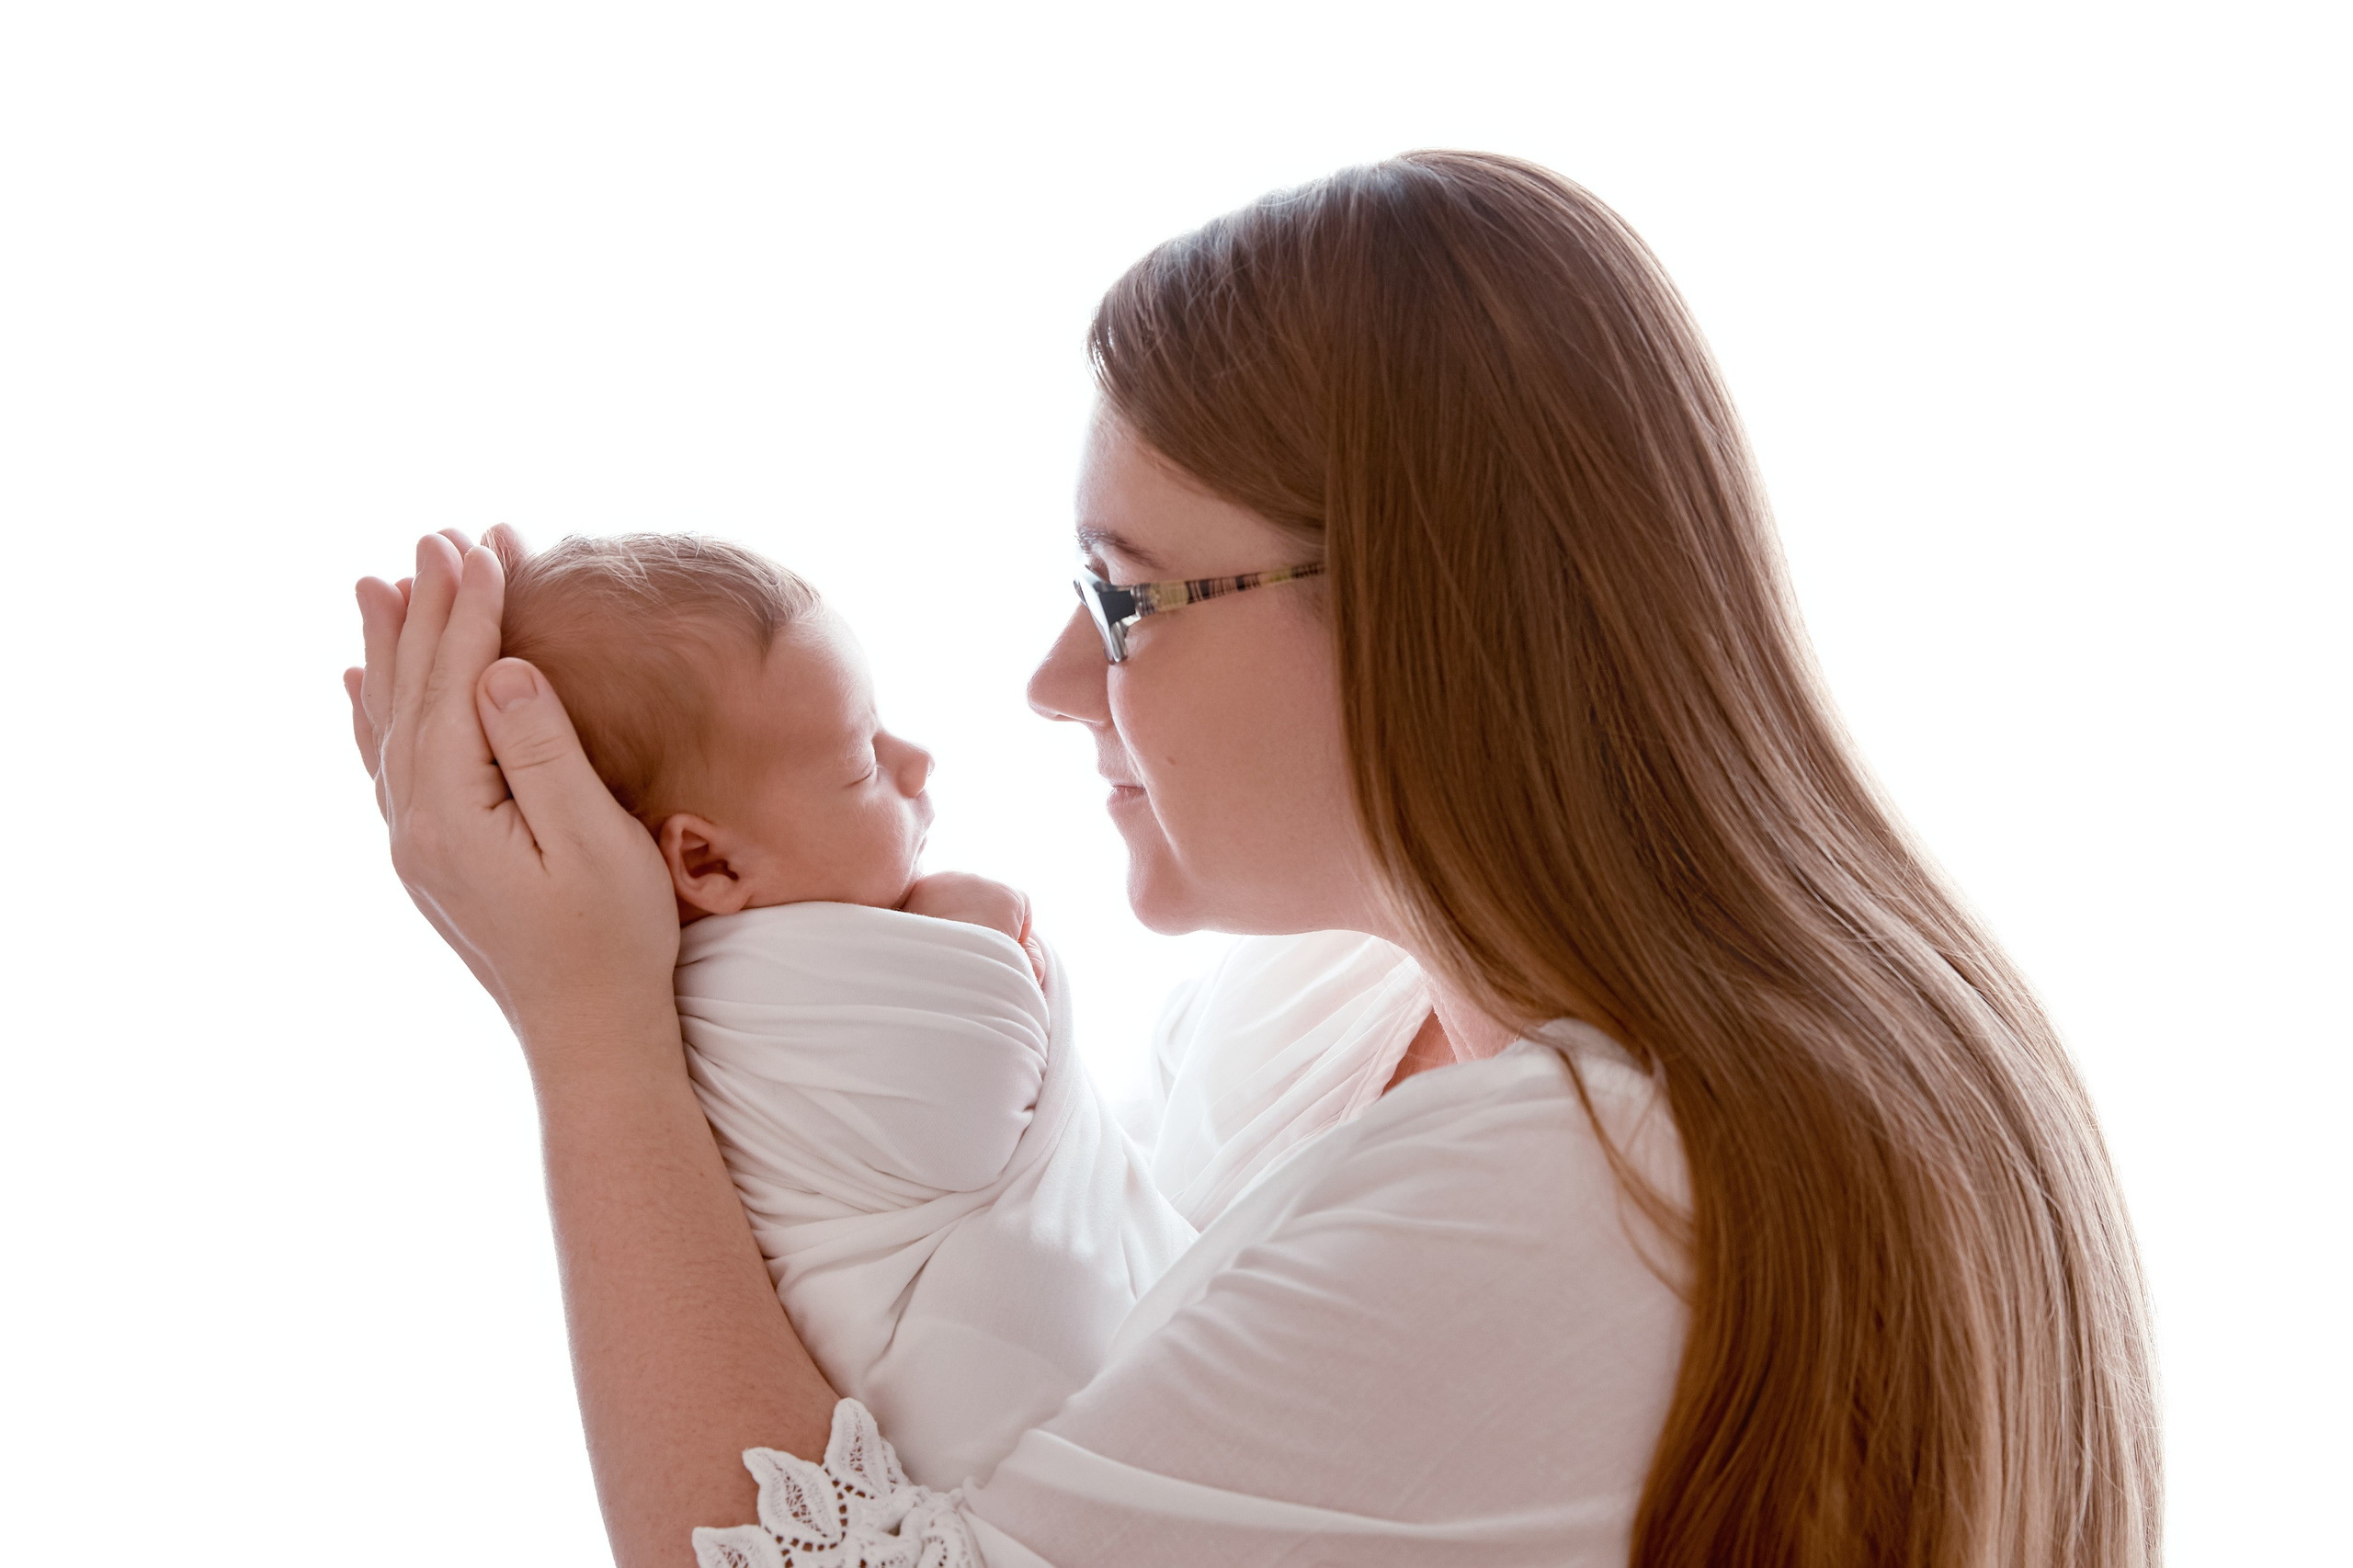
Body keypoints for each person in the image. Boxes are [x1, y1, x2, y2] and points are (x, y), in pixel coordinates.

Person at [347, 152, 2163, 1566]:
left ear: (1416, 603)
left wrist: (586, 1023)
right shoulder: (1327, 1020)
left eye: (1121, 595)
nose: (1055, 680)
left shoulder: (1590, 1181)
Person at [494, 531, 1195, 1491]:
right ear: (708, 863)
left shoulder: (657, 969)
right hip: (971, 1427)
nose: (915, 759)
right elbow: (962, 1108)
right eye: (864, 759)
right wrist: (983, 926)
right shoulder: (759, 983)